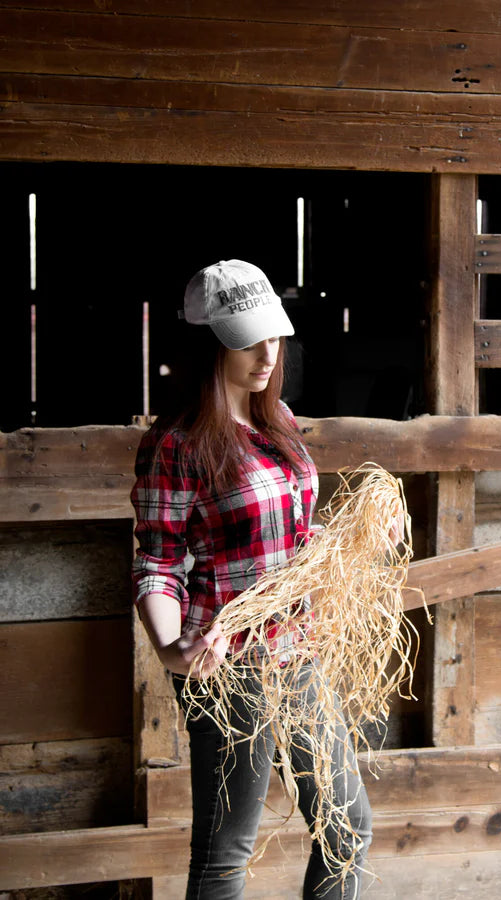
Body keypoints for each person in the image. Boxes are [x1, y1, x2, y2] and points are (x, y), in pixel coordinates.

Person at [131, 259, 373, 899]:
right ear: (207, 344)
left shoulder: (279, 419)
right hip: (230, 667)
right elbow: (157, 562)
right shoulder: (177, 444)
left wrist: (335, 547)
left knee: (347, 828)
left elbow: (290, 530)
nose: (268, 355)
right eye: (248, 341)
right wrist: (171, 649)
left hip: (298, 650)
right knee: (226, 855)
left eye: (274, 337)